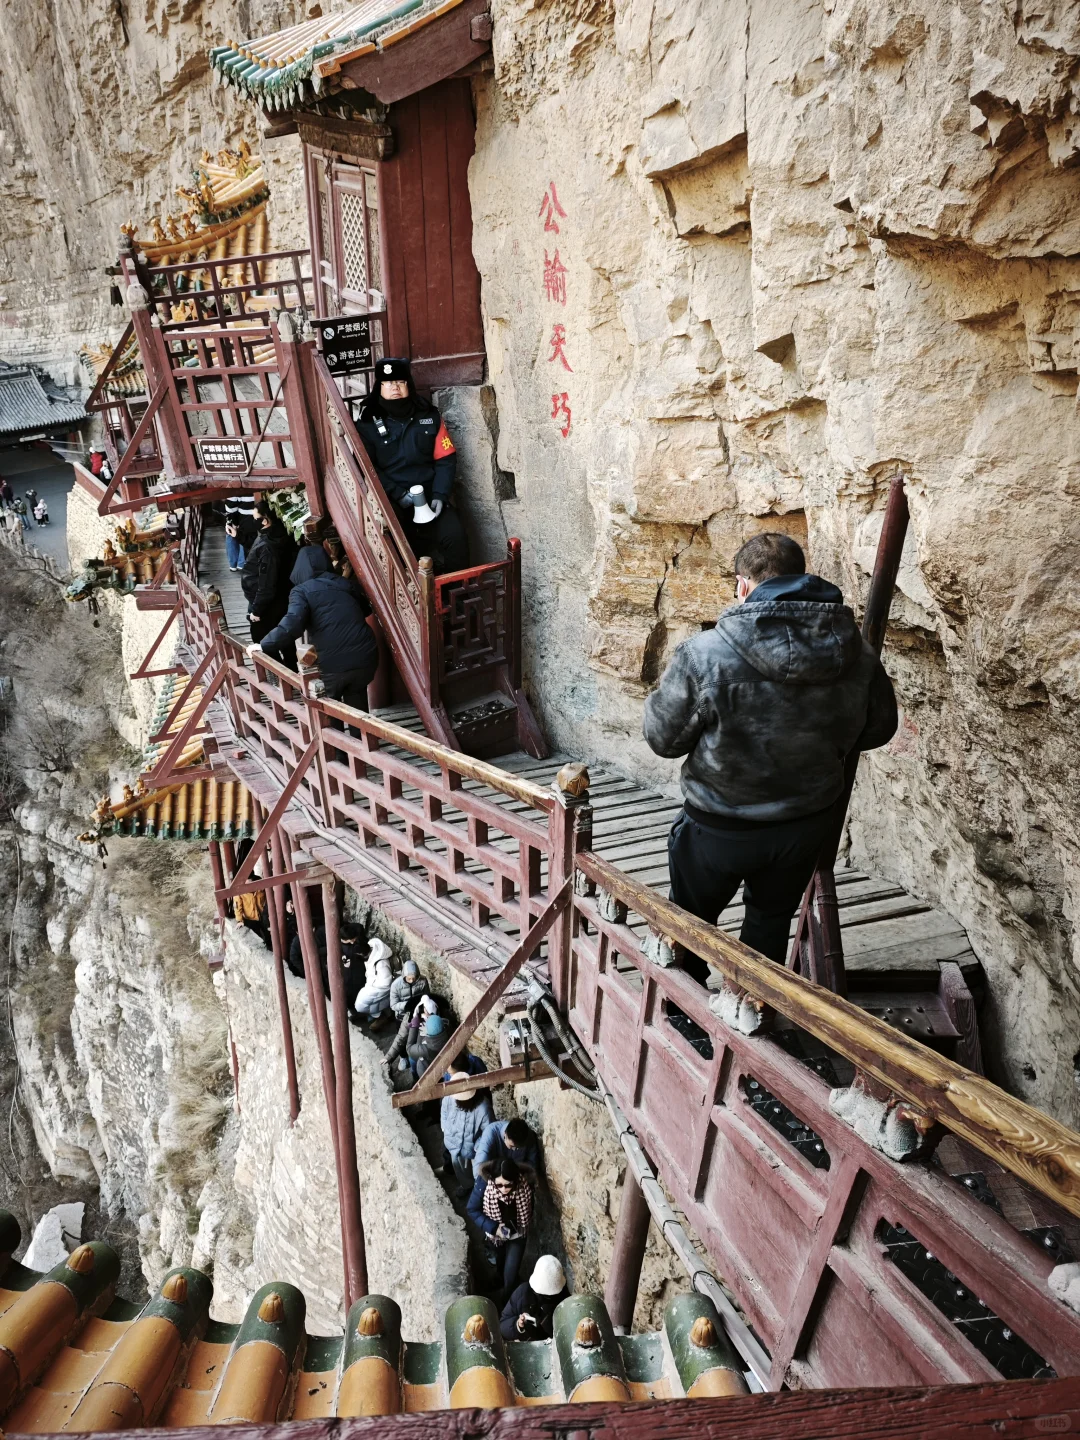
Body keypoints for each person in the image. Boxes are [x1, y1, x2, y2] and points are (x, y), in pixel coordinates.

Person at [643, 532, 898, 980]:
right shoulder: (856, 653)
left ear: (744, 585)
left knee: (688, 926)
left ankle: (684, 1016)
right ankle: (753, 1009)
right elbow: (878, 729)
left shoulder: (704, 654)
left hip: (718, 826)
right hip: (804, 824)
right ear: (802, 579)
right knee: (769, 924)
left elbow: (664, 741)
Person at [355, 356, 470, 574]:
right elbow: (368, 468)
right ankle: (419, 602)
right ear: (379, 387)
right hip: (394, 502)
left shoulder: (428, 415)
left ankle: (458, 597)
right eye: (388, 383)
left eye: (400, 382)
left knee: (457, 538)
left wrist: (440, 495)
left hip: (430, 496)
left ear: (409, 384)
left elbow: (446, 459)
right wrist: (398, 494)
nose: (394, 388)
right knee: (402, 553)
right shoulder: (367, 423)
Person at [252, 544, 377, 712]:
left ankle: (335, 737)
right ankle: (361, 737)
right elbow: (366, 610)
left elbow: (293, 623)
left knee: (330, 711)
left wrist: (264, 644)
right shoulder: (345, 584)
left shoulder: (301, 591)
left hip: (333, 664)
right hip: (365, 658)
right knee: (357, 706)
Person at [467, 1157, 533, 1298]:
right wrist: (494, 1228)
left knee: (511, 1271)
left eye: (508, 1185)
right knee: (500, 1260)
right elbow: (472, 1209)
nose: (504, 1189)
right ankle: (498, 1279)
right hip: (496, 1234)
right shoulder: (484, 1185)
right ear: (493, 1180)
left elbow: (528, 1209)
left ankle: (506, 1300)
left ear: (516, 1181)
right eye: (499, 1185)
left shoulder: (524, 1186)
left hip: (518, 1234)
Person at [241, 498, 297, 661]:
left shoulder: (268, 547)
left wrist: (257, 610)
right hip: (279, 597)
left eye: (255, 518)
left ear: (265, 520)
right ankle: (290, 672)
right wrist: (239, 537)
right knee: (283, 636)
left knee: (261, 639)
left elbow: (267, 583)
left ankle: (284, 676)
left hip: (267, 602)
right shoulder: (274, 535)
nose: (253, 522)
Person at [440, 1072, 495, 1195]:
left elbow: (488, 1131)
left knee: (478, 1172)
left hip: (473, 1146)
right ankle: (466, 1186)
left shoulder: (483, 1108)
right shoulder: (450, 1097)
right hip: (454, 1141)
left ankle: (478, 1192)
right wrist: (445, 1129)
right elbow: (444, 1111)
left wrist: (477, 1147)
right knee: (458, 1166)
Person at [500, 1256, 568, 1342]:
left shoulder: (564, 1303)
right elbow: (503, 1326)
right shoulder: (523, 1293)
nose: (546, 1296)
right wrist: (517, 1325)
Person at [473, 1115, 540, 1178]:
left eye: (518, 1147)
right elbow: (479, 1168)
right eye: (512, 1146)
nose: (514, 1149)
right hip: (495, 1174)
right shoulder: (490, 1133)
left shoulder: (529, 1137)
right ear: (505, 1135)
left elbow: (532, 1165)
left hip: (516, 1176)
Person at [351, 940, 395, 1024]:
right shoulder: (371, 955)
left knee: (360, 1005)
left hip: (379, 987)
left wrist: (371, 986)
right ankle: (376, 1014)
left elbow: (386, 983)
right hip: (372, 984)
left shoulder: (381, 964)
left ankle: (381, 1015)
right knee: (363, 1003)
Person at [223, 492, 257, 570]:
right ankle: (242, 563)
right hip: (254, 513)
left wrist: (234, 521)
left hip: (242, 513)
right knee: (245, 535)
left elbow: (231, 504)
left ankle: (233, 564)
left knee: (232, 533)